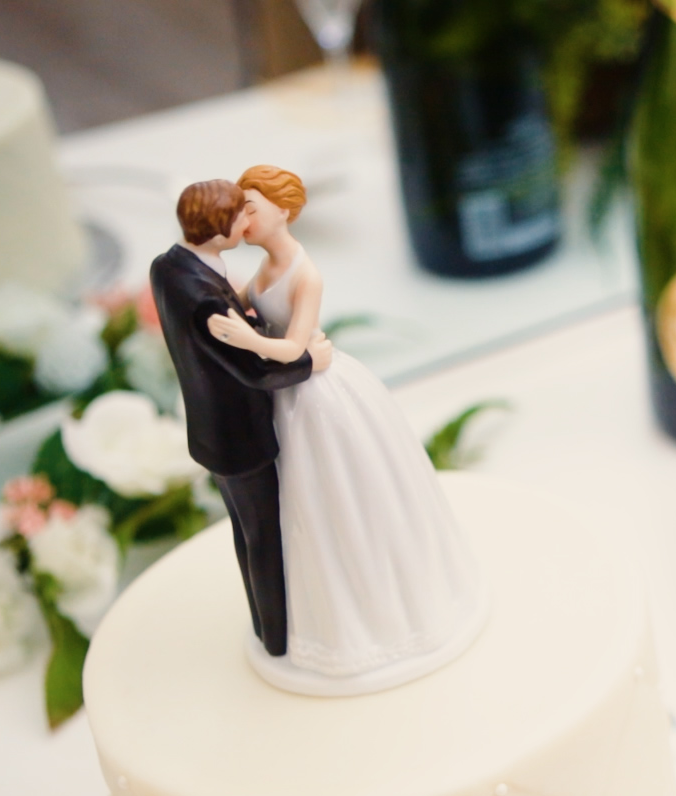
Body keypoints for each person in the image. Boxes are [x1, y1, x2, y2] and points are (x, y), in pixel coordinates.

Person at [204, 165, 488, 695]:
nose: (242, 217)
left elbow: (293, 347)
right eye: (240, 208)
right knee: (302, 508)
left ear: (282, 211)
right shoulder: (261, 271)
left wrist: (244, 339)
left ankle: (379, 619)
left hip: (316, 396)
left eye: (251, 207)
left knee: (341, 496)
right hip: (282, 397)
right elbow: (249, 312)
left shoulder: (305, 274)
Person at [149, 179, 332, 658]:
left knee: (244, 532)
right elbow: (254, 369)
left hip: (211, 432)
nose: (245, 224)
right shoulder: (206, 296)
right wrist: (312, 360)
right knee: (264, 538)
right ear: (220, 229)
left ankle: (262, 622)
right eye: (239, 216)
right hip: (240, 437)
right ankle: (275, 641)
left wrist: (248, 327)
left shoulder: (167, 266)